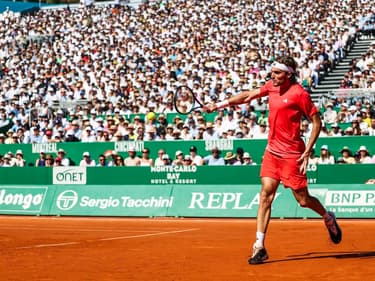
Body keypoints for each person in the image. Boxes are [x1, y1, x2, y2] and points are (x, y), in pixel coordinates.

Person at [204, 56, 342, 265]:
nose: (273, 76)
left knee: (303, 201)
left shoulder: (299, 94)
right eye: (273, 72)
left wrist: (309, 149)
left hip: (292, 154)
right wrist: (219, 105)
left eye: (278, 73)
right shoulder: (271, 86)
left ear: (289, 74)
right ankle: (259, 246)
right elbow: (248, 95)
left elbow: (316, 121)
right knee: (266, 195)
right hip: (272, 152)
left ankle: (327, 216)